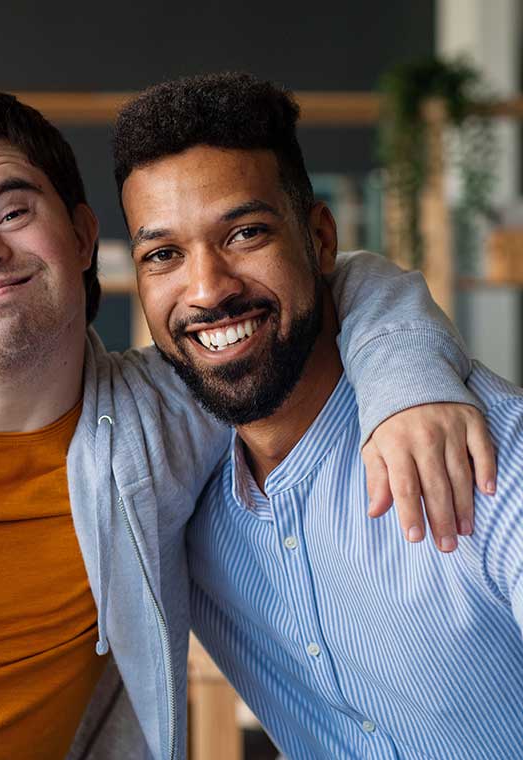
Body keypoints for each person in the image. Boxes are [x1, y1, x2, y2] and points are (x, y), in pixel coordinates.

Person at [0, 86, 492, 759]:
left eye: (13, 211)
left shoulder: (165, 419)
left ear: (86, 236)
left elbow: (330, 281)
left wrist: (408, 384)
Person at [112, 72, 523, 759]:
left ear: (320, 239)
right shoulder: (169, 476)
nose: (208, 288)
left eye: (245, 233)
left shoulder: (485, 451)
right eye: (164, 255)